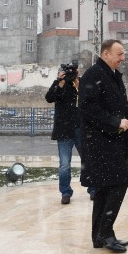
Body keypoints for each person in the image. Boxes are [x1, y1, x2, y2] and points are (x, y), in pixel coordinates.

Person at [79, 39, 128, 253]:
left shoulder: (113, 75)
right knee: (118, 183)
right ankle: (106, 233)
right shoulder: (93, 75)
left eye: (123, 54)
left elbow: (119, 106)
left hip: (114, 141)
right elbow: (89, 110)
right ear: (106, 54)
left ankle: (99, 236)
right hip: (101, 143)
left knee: (106, 189)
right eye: (119, 54)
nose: (123, 58)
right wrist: (115, 122)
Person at [45, 63, 95, 204]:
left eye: (74, 71)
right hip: (64, 130)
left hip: (81, 128)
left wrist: (79, 83)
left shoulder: (81, 84)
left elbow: (90, 99)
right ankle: (65, 192)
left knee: (88, 160)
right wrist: (59, 82)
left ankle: (93, 189)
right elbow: (49, 98)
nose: (72, 74)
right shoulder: (61, 84)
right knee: (65, 164)